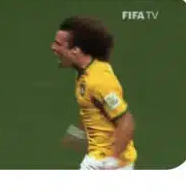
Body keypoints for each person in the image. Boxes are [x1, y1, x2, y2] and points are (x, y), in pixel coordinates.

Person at [51, 16, 137, 169]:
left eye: (58, 44)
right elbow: (92, 107)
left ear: (76, 50)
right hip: (97, 157)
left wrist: (113, 159)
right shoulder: (85, 74)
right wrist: (78, 133)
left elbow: (126, 121)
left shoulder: (99, 81)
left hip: (104, 162)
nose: (53, 47)